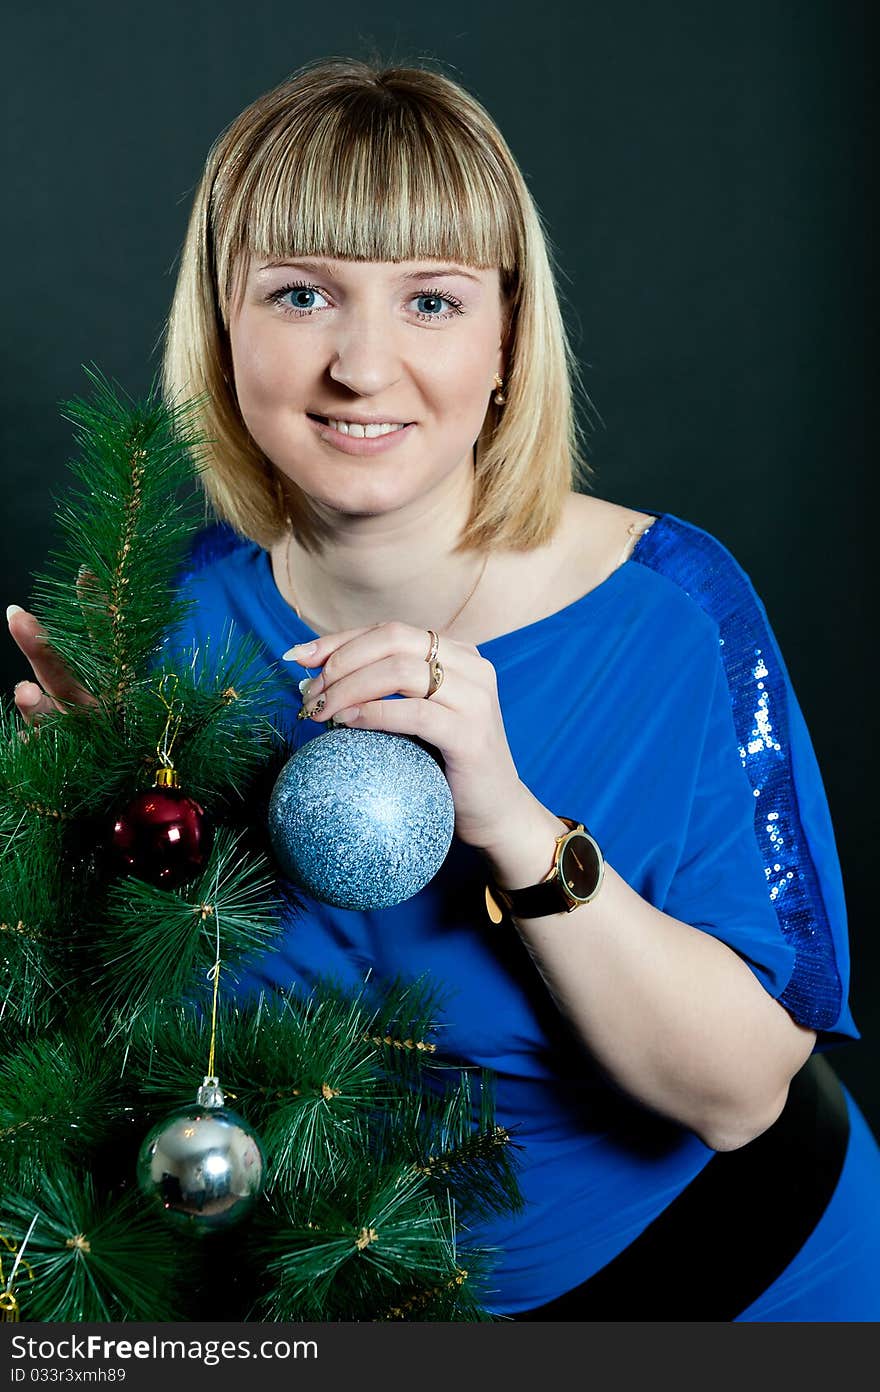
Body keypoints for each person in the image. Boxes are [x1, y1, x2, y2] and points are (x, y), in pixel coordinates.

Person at [7, 57, 880, 1321]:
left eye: (431, 300)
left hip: (731, 1290)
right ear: (223, 322)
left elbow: (739, 1093)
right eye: (301, 293)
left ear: (507, 337)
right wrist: (86, 836)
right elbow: (130, 1059)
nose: (362, 366)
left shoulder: (671, 615)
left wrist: (508, 815)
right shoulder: (158, 619)